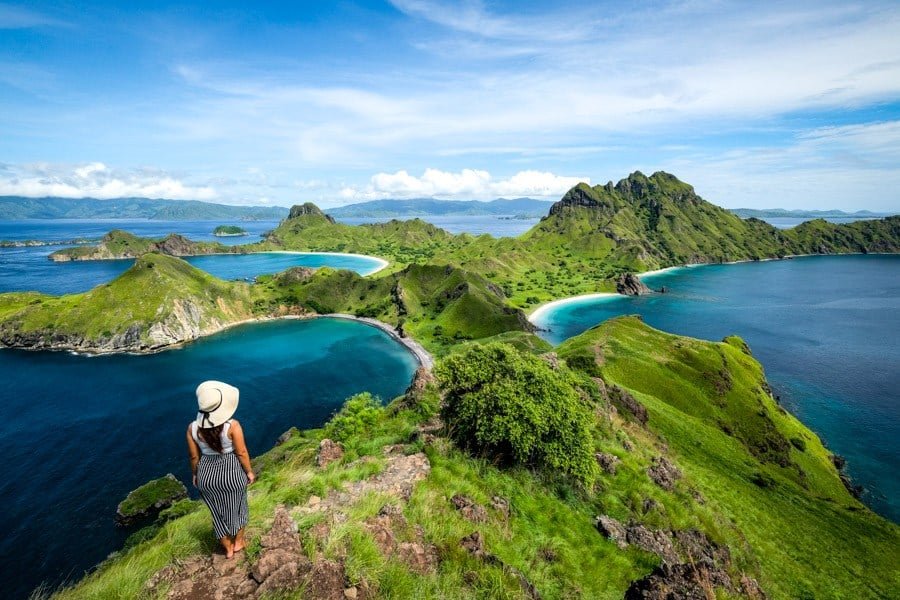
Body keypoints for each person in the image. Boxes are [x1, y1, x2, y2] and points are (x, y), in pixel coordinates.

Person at [186, 380, 256, 558]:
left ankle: (227, 549)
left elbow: (194, 457)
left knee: (217, 514)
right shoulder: (232, 426)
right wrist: (249, 471)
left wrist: (196, 475)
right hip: (231, 470)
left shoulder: (192, 429)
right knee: (239, 507)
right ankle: (238, 542)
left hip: (206, 475)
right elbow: (241, 452)